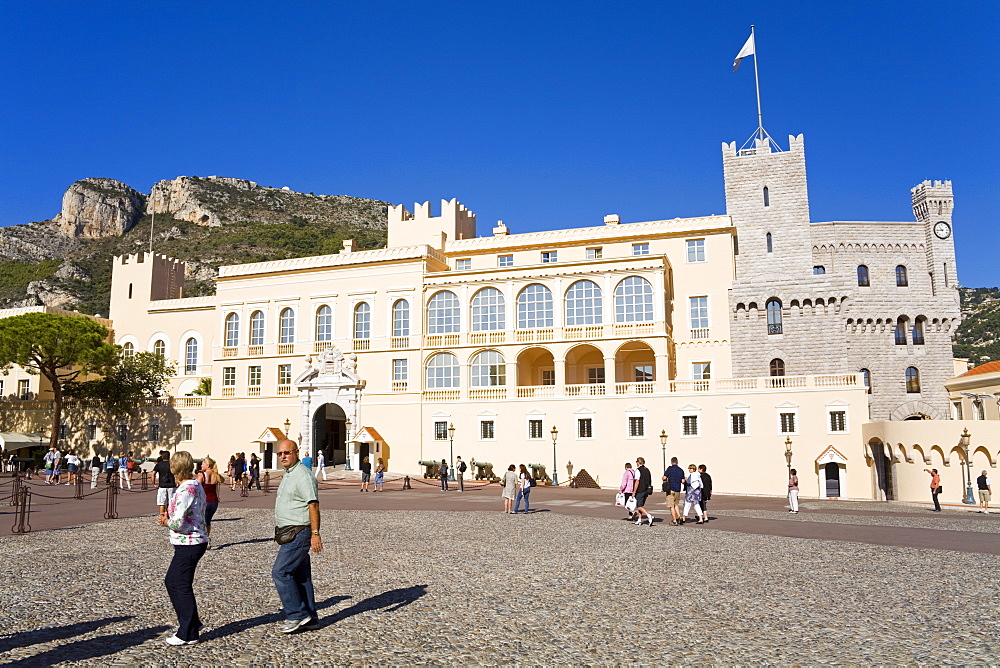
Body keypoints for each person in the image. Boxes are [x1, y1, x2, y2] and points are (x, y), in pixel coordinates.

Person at [271, 439, 322, 633]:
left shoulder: (302, 475)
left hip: (299, 532)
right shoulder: (289, 473)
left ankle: (297, 614)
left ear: (296, 453)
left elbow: (313, 505)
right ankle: (311, 618)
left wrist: (315, 533)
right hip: (290, 531)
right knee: (300, 576)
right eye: (280, 453)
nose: (283, 456)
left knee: (281, 572)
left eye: (287, 453)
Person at [158, 450, 208, 646]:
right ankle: (193, 622)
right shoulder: (196, 484)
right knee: (175, 582)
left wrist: (165, 521)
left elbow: (178, 521)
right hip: (194, 541)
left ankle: (187, 632)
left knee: (178, 584)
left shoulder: (186, 488)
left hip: (189, 542)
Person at [196, 456, 221, 538]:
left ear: (208, 465)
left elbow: (197, 488)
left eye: (203, 463)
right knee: (208, 521)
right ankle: (207, 538)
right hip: (214, 501)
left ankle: (203, 539)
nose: (201, 465)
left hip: (204, 501)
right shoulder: (215, 474)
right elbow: (222, 480)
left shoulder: (201, 474)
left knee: (201, 521)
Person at [153, 450, 177, 518]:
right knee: (171, 502)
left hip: (162, 486)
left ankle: (162, 517)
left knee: (162, 503)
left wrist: (154, 483)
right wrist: (177, 482)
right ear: (169, 456)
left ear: (162, 456)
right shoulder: (172, 465)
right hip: (172, 485)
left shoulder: (159, 465)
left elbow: (153, 474)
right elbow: (177, 473)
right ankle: (171, 516)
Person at [633, 457, 654, 526]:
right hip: (646, 490)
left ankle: (649, 516)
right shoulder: (647, 470)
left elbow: (637, 481)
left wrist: (634, 491)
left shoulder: (638, 470)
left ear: (638, 462)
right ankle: (639, 519)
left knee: (639, 506)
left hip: (640, 490)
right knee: (641, 505)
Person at [663, 457, 684, 525]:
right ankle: (679, 517)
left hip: (670, 489)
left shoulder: (669, 469)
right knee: (676, 504)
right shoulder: (681, 470)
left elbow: (664, 477)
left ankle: (674, 520)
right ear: (677, 462)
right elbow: (683, 481)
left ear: (671, 462)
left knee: (671, 505)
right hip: (677, 489)